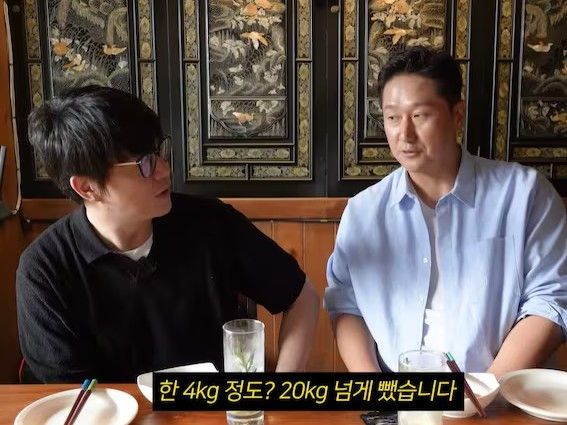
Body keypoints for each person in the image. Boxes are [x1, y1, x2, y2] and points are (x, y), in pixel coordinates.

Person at [17, 86, 319, 383]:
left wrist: (284, 390)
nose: (164, 170)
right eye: (145, 164)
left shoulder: (212, 223)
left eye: (158, 152)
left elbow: (300, 296)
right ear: (87, 187)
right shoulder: (44, 270)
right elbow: (72, 394)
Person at [324, 46, 567, 377]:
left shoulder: (524, 194)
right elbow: (346, 305)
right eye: (392, 117)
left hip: (499, 390)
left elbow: (550, 300)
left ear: (457, 114)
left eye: (419, 116)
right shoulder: (363, 212)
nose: (404, 134)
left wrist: (483, 391)